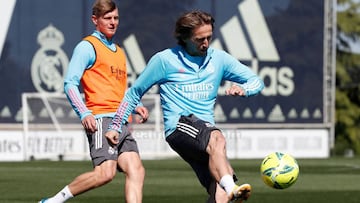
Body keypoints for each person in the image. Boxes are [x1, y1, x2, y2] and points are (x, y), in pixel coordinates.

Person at [105, 10, 264, 203]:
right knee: (218, 140)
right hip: (179, 127)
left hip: (204, 133)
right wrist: (115, 126)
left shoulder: (219, 59)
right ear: (185, 38)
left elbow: (256, 81)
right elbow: (134, 93)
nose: (205, 43)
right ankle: (232, 188)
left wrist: (245, 89)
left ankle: (228, 189)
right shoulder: (164, 60)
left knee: (219, 191)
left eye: (209, 37)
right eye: (199, 39)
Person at [38, 0, 148, 202]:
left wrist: (136, 105)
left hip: (121, 121)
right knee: (105, 173)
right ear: (95, 20)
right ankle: (54, 200)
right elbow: (70, 84)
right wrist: (84, 113)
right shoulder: (87, 46)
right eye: (107, 18)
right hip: (101, 120)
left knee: (137, 170)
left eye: (116, 18)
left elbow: (120, 89)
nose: (113, 22)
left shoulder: (119, 51)